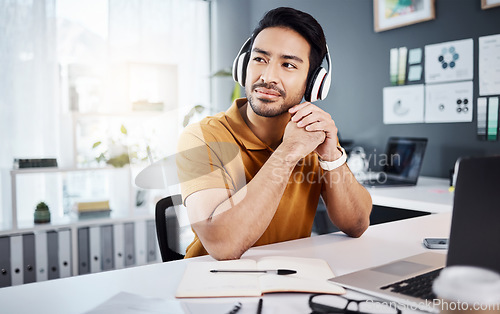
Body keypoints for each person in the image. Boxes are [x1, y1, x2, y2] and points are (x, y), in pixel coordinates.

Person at [176, 7, 372, 260]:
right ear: (243, 66)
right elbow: (222, 244)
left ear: (313, 83)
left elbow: (357, 224)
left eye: (288, 65)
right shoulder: (203, 136)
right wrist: (289, 152)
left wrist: (331, 156)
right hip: (213, 285)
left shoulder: (312, 135)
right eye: (260, 59)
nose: (268, 76)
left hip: (288, 280)